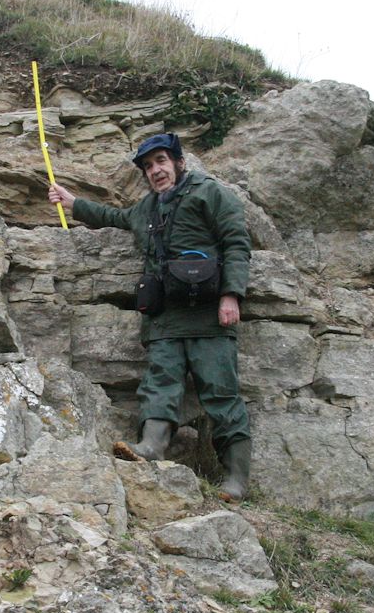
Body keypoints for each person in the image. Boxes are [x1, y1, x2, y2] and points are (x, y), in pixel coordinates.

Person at [47, 133, 253, 502]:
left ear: (178, 161)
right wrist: (73, 203)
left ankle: (236, 480)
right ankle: (151, 447)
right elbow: (116, 217)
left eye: (160, 161)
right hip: (164, 317)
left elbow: (236, 242)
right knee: (159, 383)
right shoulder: (147, 208)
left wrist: (230, 295)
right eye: (148, 166)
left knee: (221, 393)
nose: (155, 171)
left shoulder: (210, 193)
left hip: (209, 314)